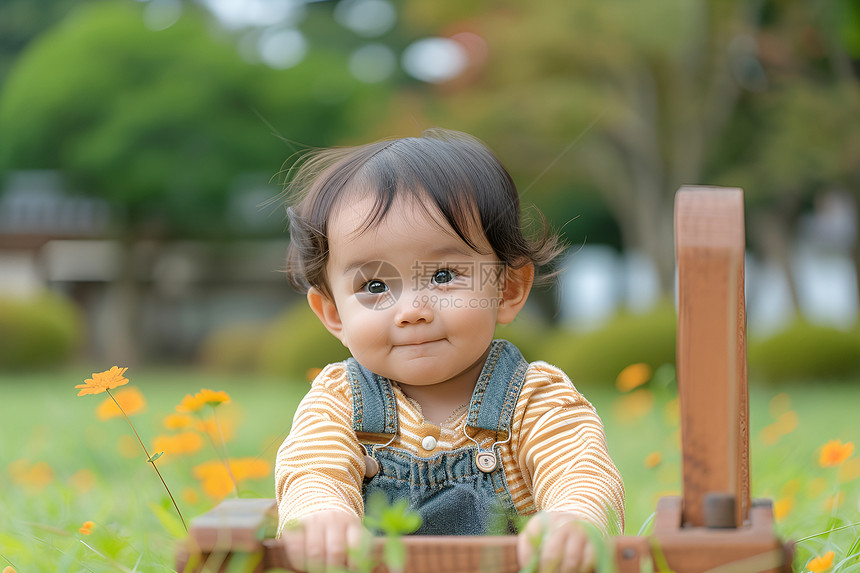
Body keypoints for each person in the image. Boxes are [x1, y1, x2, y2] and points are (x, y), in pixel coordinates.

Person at [275, 128, 625, 573]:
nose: (412, 311)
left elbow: (583, 471)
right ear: (333, 314)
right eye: (375, 286)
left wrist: (574, 518)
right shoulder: (339, 401)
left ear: (509, 288)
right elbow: (311, 467)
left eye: (443, 275)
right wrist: (321, 514)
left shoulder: (534, 398)